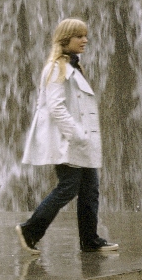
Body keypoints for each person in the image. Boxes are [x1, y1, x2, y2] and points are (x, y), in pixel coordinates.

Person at [17, 18, 118, 254]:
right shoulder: (56, 68)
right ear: (65, 40)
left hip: (80, 142)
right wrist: (77, 134)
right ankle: (30, 229)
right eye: (79, 36)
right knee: (68, 187)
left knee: (90, 189)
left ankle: (90, 240)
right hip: (69, 141)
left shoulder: (72, 66)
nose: (85, 40)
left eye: (85, 35)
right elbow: (55, 106)